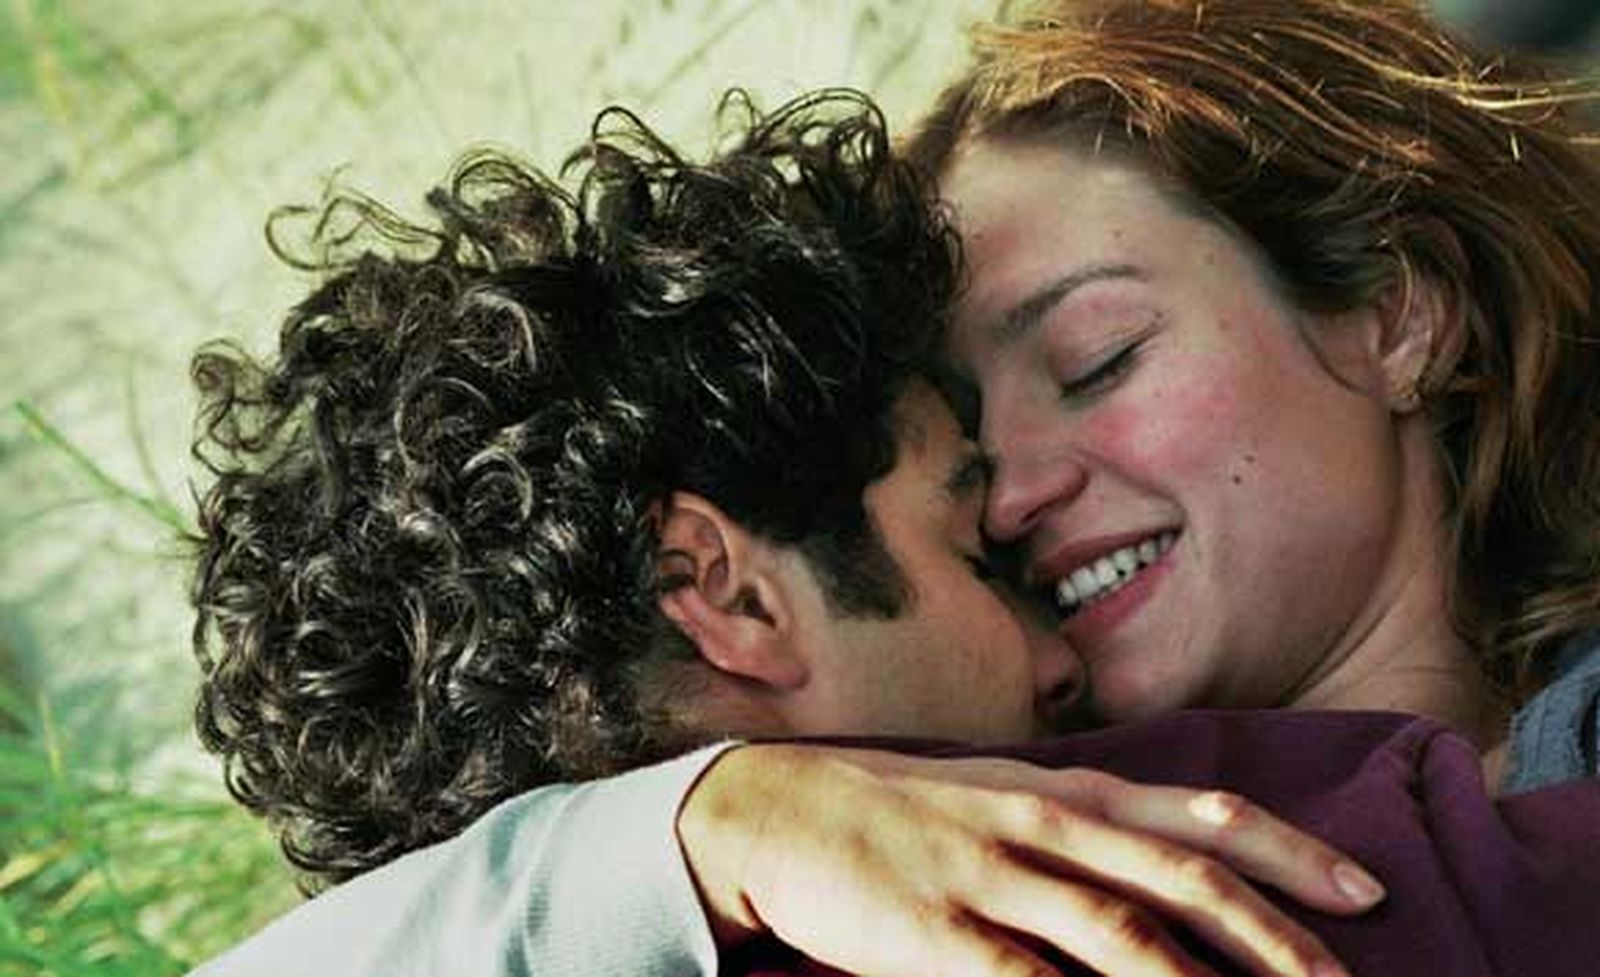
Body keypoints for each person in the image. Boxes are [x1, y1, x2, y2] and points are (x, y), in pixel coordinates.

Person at [186, 92, 1375, 977]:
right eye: (972, 555)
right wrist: (709, 827)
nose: (1062, 658)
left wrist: (665, 848)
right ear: (727, 594)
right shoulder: (1270, 863)